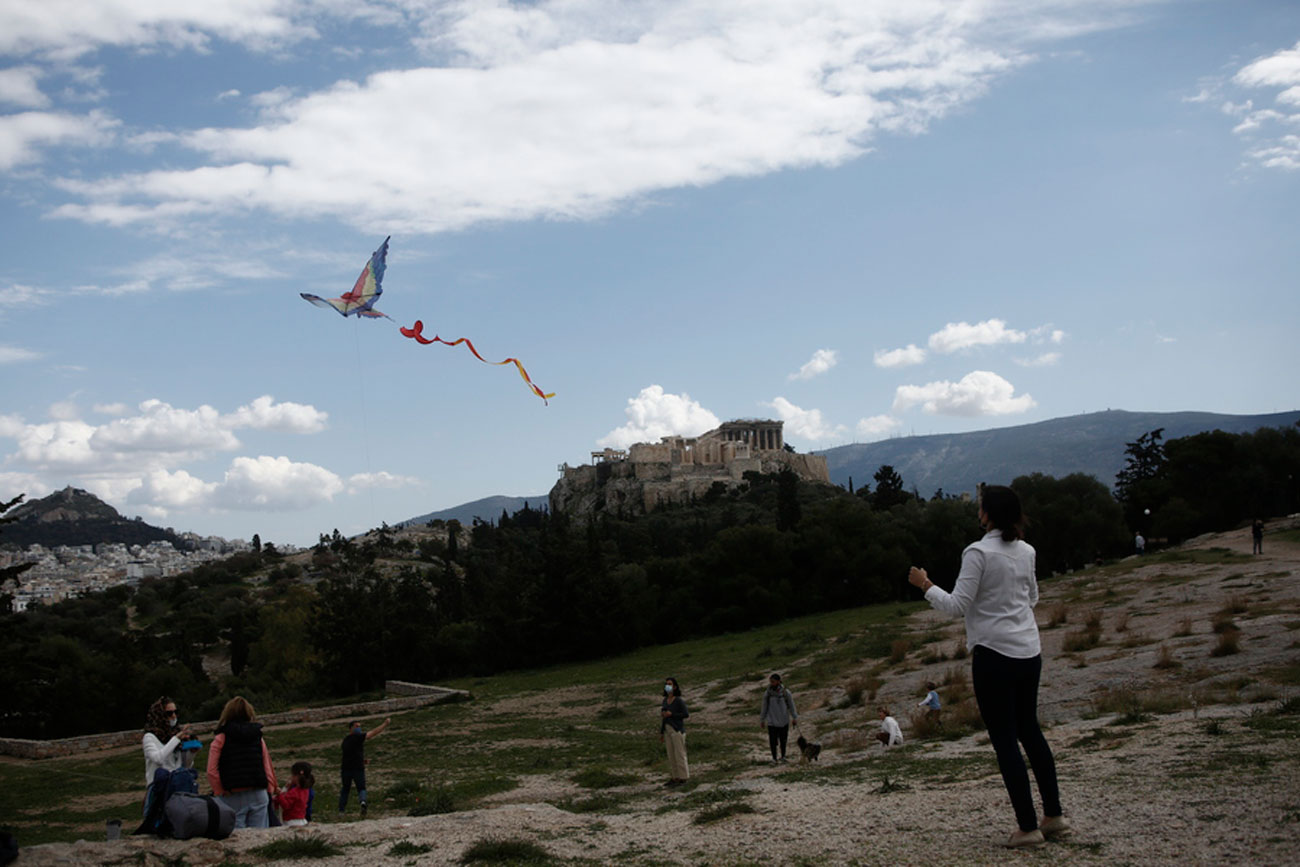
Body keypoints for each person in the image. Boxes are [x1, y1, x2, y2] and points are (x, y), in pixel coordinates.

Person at [908, 485, 1067, 850]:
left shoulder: (977, 552)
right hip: (1030, 651)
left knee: (1005, 740)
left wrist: (926, 584)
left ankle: (1027, 827)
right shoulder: (1026, 551)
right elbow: (1033, 597)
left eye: (980, 507)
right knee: (1031, 731)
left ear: (987, 514)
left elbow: (957, 605)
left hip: (994, 654)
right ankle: (1054, 816)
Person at [206, 696, 277, 830]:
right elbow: (266, 764)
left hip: (232, 794)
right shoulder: (257, 735)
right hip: (258, 792)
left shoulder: (221, 738)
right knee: (260, 838)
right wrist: (270, 788)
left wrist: (220, 790)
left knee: (236, 836)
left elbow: (211, 770)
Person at [339, 717, 390, 817]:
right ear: (351, 728)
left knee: (345, 789)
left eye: (360, 726)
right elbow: (372, 733)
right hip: (357, 768)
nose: (359, 728)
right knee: (361, 788)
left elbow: (349, 754)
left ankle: (341, 810)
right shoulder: (358, 737)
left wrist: (362, 760)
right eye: (357, 726)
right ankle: (363, 802)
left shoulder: (346, 740)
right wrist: (385, 724)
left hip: (346, 768)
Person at [141, 696, 191, 788]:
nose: (174, 716)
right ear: (160, 715)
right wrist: (176, 739)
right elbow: (158, 759)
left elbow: (185, 765)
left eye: (175, 712)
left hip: (176, 785)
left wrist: (191, 752)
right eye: (169, 713)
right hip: (158, 788)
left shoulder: (175, 734)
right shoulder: (149, 737)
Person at [759, 673, 799, 764]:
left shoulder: (785, 693)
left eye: (773, 682)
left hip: (783, 720)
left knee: (783, 740)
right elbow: (764, 707)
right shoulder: (768, 693)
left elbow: (791, 706)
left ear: (778, 681)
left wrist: (794, 717)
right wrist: (762, 719)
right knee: (772, 740)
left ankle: (783, 756)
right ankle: (774, 758)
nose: (771, 683)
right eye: (770, 682)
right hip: (771, 721)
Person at [659, 677, 689, 786]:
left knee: (679, 754)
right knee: (671, 755)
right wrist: (662, 732)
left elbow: (686, 714)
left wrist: (673, 715)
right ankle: (675, 777)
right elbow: (664, 716)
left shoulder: (678, 701)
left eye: (670, 684)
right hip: (667, 730)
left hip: (677, 729)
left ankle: (683, 777)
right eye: (666, 684)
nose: (667, 686)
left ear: (675, 687)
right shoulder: (665, 701)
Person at [274, 762, 315, 827]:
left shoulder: (294, 792)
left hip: (291, 821)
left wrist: (279, 795)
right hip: (302, 819)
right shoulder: (306, 790)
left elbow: (286, 805)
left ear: (296, 777)